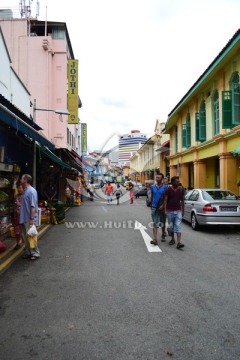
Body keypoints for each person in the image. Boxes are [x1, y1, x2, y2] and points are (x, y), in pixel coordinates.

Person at [20, 174, 40, 260]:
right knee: (25, 237)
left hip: (29, 219)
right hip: (24, 218)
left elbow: (33, 206)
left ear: (25, 180)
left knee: (31, 237)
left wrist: (32, 219)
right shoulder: (26, 190)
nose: (20, 180)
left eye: (22, 178)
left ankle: (35, 253)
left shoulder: (32, 191)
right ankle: (28, 252)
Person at [164, 176, 185, 250]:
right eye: (176, 181)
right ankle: (172, 239)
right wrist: (165, 210)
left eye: (178, 181)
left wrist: (183, 211)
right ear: (172, 182)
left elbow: (182, 201)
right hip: (170, 211)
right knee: (171, 226)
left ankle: (178, 242)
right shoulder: (168, 189)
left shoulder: (181, 189)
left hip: (178, 210)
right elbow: (165, 200)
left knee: (178, 225)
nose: (178, 182)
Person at [150, 173, 167, 245]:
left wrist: (163, 205)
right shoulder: (152, 186)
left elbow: (166, 198)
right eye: (156, 177)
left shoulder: (165, 187)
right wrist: (151, 204)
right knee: (155, 223)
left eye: (159, 177)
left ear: (162, 179)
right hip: (154, 207)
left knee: (162, 221)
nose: (157, 179)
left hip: (162, 207)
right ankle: (155, 239)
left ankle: (163, 234)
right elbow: (152, 196)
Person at [13, 183, 24, 250]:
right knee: (17, 231)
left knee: (24, 231)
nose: (19, 189)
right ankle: (18, 244)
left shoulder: (25, 196)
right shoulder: (16, 196)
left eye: (21, 188)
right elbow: (15, 206)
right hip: (17, 217)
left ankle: (26, 245)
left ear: (23, 189)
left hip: (23, 217)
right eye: (18, 188)